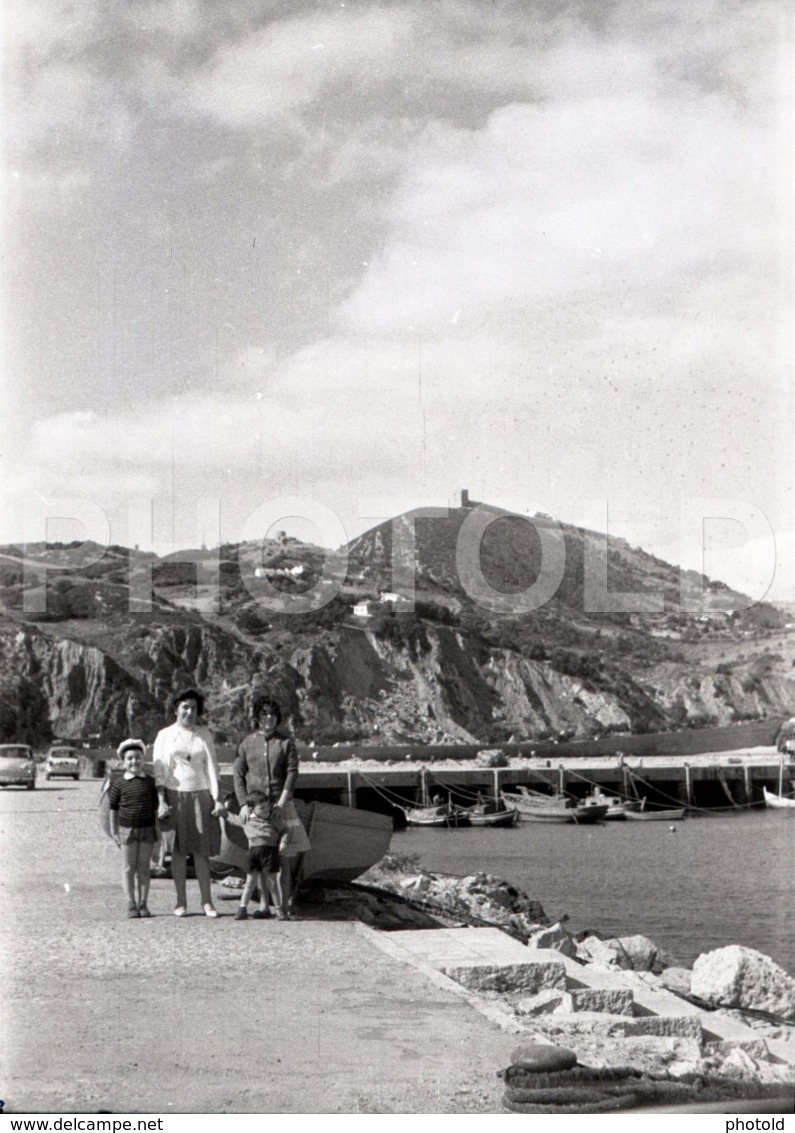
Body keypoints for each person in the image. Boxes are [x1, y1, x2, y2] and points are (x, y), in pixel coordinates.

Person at [152, 687, 225, 918]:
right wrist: (161, 799)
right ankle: (180, 901)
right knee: (178, 851)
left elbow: (212, 767)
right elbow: (160, 769)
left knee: (201, 853)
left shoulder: (204, 734)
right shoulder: (165, 735)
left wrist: (217, 799)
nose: (189, 712)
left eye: (193, 708)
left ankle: (207, 902)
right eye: (185, 707)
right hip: (175, 795)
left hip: (200, 794)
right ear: (176, 709)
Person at [233, 694, 308, 913]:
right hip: (256, 810)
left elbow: (292, 773)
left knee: (282, 858)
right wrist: (243, 805)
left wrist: (281, 803)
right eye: (264, 713)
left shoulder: (286, 743)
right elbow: (238, 775)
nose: (269, 718)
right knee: (259, 858)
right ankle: (264, 906)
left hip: (280, 805)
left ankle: (282, 906)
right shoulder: (246, 743)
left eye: (273, 714)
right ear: (256, 717)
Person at [107, 738, 158, 919]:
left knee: (144, 868)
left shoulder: (150, 782)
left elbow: (155, 807)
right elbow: (113, 808)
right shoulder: (119, 783)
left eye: (137, 758)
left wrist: (157, 833)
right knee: (129, 867)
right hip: (126, 831)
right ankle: (131, 903)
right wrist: (114, 831)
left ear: (143, 759)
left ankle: (143, 903)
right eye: (130, 758)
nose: (134, 762)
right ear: (123, 761)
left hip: (147, 829)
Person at [224, 789, 289, 921]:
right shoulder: (247, 819)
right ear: (251, 809)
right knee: (249, 882)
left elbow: (284, 830)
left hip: (270, 852)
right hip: (253, 853)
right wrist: (221, 809)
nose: (266, 810)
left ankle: (279, 910)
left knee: (273, 883)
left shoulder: (273, 818)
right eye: (261, 808)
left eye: (267, 807)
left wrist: (283, 842)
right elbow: (231, 818)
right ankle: (242, 908)